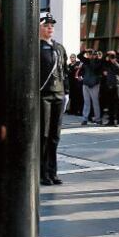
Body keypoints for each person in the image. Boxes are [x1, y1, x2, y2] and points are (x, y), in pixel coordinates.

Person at [39, 12, 68, 186]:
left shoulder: (59, 47)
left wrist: (67, 92)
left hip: (58, 93)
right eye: (46, 25)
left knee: (55, 136)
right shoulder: (35, 46)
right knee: (43, 135)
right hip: (44, 94)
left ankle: (52, 172)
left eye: (52, 26)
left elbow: (65, 71)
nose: (50, 28)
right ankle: (42, 173)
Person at [102, 50, 119, 127]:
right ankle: (111, 121)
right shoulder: (107, 64)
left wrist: (115, 62)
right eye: (111, 56)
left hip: (117, 86)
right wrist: (107, 54)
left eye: (113, 56)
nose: (111, 58)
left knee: (118, 104)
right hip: (109, 86)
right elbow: (102, 61)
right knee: (110, 104)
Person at [80, 50, 102, 124]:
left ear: (95, 55)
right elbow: (79, 56)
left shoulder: (98, 62)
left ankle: (98, 119)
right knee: (86, 102)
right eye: (89, 54)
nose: (89, 55)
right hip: (85, 84)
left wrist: (93, 59)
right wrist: (84, 51)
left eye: (92, 54)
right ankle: (85, 119)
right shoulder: (87, 61)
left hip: (94, 84)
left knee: (95, 102)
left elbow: (94, 67)